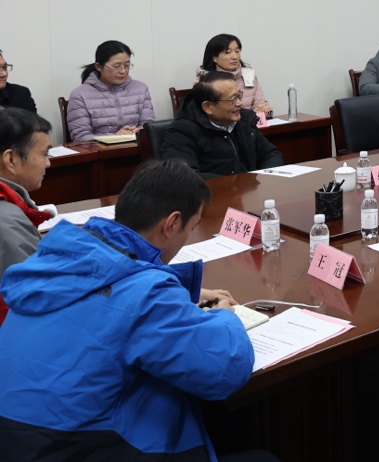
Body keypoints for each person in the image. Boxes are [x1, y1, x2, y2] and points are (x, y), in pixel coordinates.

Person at [0, 159, 266, 461]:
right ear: (172, 223)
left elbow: (109, 296)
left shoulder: (56, 258)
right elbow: (225, 368)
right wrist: (225, 316)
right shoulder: (146, 296)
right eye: (191, 228)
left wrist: (177, 292)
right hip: (78, 447)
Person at [162, 72, 284, 179]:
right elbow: (184, 176)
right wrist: (234, 184)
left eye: (239, 95)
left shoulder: (244, 121)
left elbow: (271, 154)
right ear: (208, 107)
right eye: (233, 99)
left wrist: (264, 178)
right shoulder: (181, 132)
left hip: (248, 192)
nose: (240, 103)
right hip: (212, 195)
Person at [0, 109, 51, 321]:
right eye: (45, 154)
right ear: (11, 159)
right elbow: (38, 298)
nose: (48, 163)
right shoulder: (7, 223)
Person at [65, 40, 156, 142]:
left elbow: (150, 125)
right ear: (98, 67)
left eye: (127, 65)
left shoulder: (140, 89)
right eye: (116, 66)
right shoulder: (80, 95)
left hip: (138, 148)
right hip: (100, 151)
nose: (123, 71)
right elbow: (80, 137)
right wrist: (115, 137)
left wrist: (138, 132)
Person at [195, 33, 271, 114]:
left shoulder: (248, 75)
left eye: (237, 51)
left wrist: (263, 109)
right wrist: (250, 116)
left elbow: (260, 101)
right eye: (228, 52)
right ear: (214, 58)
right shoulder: (204, 81)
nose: (235, 57)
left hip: (251, 120)